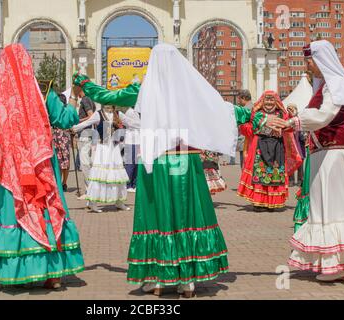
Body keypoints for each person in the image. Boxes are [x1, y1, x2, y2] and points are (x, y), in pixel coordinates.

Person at [72, 43, 281, 297]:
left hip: (157, 164)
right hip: (187, 162)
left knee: (158, 218)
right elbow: (225, 109)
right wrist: (258, 118)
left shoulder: (142, 90)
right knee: (187, 216)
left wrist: (84, 81)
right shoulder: (190, 91)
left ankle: (158, 277)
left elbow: (106, 96)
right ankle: (187, 281)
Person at [0, 44, 84, 289]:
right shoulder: (44, 90)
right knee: (45, 209)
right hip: (41, 164)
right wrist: (75, 96)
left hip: (11, 171)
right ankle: (52, 275)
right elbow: (66, 119)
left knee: (15, 214)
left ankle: (16, 273)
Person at [275, 40, 344, 282]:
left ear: (321, 59)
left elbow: (325, 115)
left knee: (336, 207)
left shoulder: (336, 83)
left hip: (335, 156)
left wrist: (292, 122)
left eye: (309, 60)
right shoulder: (327, 85)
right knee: (336, 206)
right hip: (327, 154)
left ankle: (341, 266)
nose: (307, 65)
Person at [237, 91, 302, 212]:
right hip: (259, 146)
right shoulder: (256, 114)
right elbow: (246, 128)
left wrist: (292, 119)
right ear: (262, 101)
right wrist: (259, 126)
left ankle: (271, 203)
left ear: (276, 102)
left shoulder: (282, 114)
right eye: (267, 100)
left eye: (272, 100)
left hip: (277, 146)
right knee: (260, 174)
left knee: (274, 174)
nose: (269, 103)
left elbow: (290, 128)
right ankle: (259, 203)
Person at [71, 105, 130, 213]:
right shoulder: (98, 114)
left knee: (116, 175)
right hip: (103, 149)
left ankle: (119, 201)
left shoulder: (118, 114)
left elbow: (131, 123)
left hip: (115, 149)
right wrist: (73, 128)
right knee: (99, 176)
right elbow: (86, 123)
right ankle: (92, 203)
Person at [75, 85, 97, 200]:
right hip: (89, 133)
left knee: (85, 163)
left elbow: (91, 116)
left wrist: (77, 121)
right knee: (87, 163)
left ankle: (90, 191)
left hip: (85, 134)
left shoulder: (85, 99)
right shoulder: (90, 99)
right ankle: (90, 189)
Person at [52, 93, 72, 191]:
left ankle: (64, 182)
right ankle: (61, 182)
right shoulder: (56, 111)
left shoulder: (65, 111)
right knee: (60, 160)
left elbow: (70, 123)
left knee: (64, 161)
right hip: (58, 136)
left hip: (62, 136)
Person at [119, 108, 141, 192]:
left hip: (137, 140)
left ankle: (134, 184)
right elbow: (132, 123)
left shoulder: (135, 111)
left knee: (136, 164)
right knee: (130, 164)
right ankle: (128, 185)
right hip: (131, 141)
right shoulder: (130, 112)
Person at [236, 90, 253, 168]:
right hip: (251, 141)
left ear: (243, 98)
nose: (238, 101)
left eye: (239, 99)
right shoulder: (255, 107)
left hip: (245, 141)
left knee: (245, 165)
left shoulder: (244, 109)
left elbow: (240, 125)